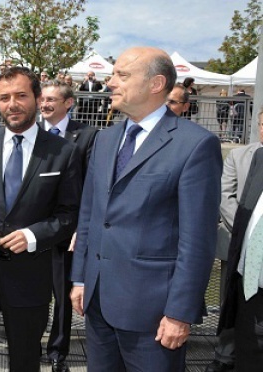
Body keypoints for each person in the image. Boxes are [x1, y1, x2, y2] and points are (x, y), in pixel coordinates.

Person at [69, 47, 222, 372]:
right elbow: (91, 215)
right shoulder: (105, 140)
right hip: (97, 305)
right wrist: (80, 279)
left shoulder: (195, 145)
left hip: (154, 314)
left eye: (122, 75)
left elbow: (197, 241)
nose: (111, 82)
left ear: (156, 83)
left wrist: (180, 312)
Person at [0, 66, 82, 371]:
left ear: (36, 97)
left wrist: (33, 236)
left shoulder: (64, 152)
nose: (12, 104)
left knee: (25, 359)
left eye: (21, 95)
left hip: (29, 278)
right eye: (4, 97)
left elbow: (70, 213)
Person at [39, 79, 97, 372]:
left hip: (66, 232)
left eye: (51, 99)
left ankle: (57, 352)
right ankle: (27, 343)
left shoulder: (86, 137)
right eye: (43, 99)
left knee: (63, 296)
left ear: (68, 103)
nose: (45, 104)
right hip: (32, 232)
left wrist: (79, 228)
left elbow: (89, 186)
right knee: (31, 294)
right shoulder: (31, 133)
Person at [206, 110, 263, 372]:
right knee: (236, 309)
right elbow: (226, 197)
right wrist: (244, 235)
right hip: (239, 249)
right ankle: (226, 355)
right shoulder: (245, 156)